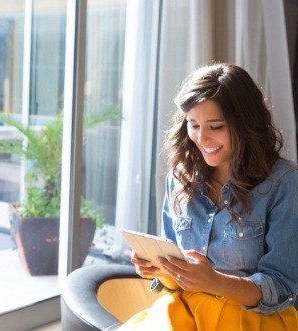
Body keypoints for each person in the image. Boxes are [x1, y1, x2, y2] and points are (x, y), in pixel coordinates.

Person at [118, 63, 298, 330]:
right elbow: (177, 275)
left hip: (252, 320)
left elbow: (283, 286)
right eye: (193, 125)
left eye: (215, 126)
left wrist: (215, 281)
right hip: (185, 312)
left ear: (246, 124)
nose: (201, 138)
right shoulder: (179, 179)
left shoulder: (283, 183)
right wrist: (161, 269)